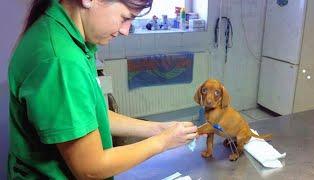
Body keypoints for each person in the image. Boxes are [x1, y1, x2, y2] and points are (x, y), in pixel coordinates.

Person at [7, 0, 198, 179]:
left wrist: (157, 129)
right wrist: (162, 142)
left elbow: (91, 116)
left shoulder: (66, 34)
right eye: (125, 17)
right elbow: (90, 169)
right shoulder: (62, 62)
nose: (126, 30)